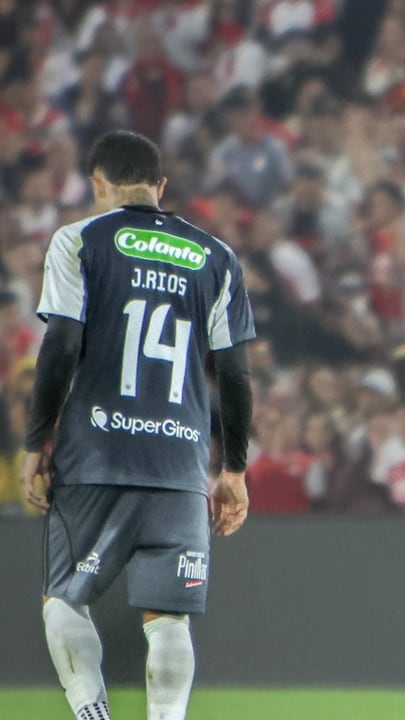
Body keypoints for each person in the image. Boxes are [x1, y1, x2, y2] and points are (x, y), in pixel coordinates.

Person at [21, 130, 254, 720]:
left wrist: (34, 444)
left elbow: (61, 345)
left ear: (98, 184)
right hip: (179, 466)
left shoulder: (79, 240)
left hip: (96, 456)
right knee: (169, 619)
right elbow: (235, 374)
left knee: (64, 602)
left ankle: (93, 715)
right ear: (162, 187)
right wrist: (233, 470)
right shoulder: (217, 257)